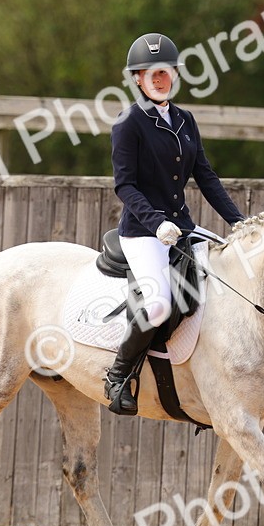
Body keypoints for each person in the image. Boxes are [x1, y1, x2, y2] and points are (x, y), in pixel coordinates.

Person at [104, 32, 247, 415]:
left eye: (165, 71)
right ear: (138, 79)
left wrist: (240, 223)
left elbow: (206, 177)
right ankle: (118, 376)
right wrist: (155, 224)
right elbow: (125, 185)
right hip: (143, 233)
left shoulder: (185, 120)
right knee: (157, 307)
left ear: (175, 75)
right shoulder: (128, 123)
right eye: (151, 73)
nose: (159, 79)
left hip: (182, 226)